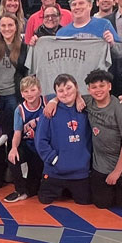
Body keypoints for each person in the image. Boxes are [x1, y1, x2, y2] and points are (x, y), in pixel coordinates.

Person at [82, 69, 122, 209]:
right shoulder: (88, 102)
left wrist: (117, 172)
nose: (98, 90)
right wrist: (54, 100)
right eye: (94, 87)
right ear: (89, 89)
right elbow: (70, 95)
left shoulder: (120, 108)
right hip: (101, 163)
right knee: (101, 204)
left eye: (102, 86)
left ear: (110, 86)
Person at [35, 74, 93, 205]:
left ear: (76, 88)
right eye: (60, 91)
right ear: (55, 93)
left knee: (85, 201)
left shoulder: (86, 108)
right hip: (55, 171)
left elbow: (105, 101)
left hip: (80, 172)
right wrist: (54, 159)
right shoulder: (49, 112)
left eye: (69, 88)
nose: (65, 93)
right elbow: (40, 141)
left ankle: (69, 190)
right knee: (44, 200)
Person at [5, 76, 45, 203]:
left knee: (34, 188)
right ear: (22, 94)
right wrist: (14, 148)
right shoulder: (20, 110)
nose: (30, 94)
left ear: (39, 90)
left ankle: (34, 185)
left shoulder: (47, 102)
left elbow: (62, 97)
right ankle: (19, 190)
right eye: (26, 91)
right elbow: (17, 133)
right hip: (28, 145)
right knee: (13, 157)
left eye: (33, 90)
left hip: (44, 147)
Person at [0, 13, 28, 117]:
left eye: (10, 25)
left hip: (14, 97)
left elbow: (28, 74)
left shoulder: (24, 48)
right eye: (3, 25)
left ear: (16, 27)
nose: (7, 29)